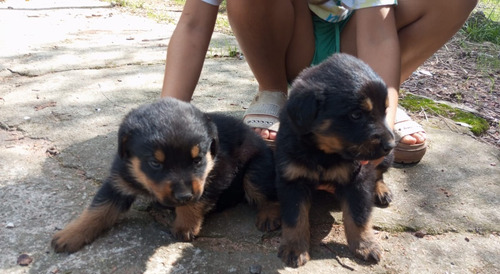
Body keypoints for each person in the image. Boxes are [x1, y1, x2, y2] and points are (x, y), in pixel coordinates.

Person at [161, 0, 478, 164]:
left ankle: (374, 99)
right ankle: (272, 91)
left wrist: (377, 125)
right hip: (294, 39)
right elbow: (192, 24)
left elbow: (377, 34)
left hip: (358, 39)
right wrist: (168, 120)